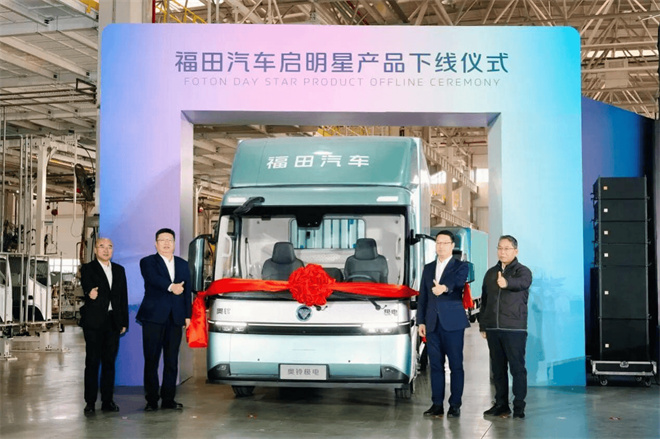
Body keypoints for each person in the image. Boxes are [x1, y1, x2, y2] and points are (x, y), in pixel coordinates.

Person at [136, 228, 192, 411]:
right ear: (156, 243)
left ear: (174, 243)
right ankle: (151, 400)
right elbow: (153, 279)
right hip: (153, 318)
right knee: (151, 360)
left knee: (171, 361)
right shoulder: (147, 262)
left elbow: (187, 292)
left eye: (170, 240)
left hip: (175, 319)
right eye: (162, 240)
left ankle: (169, 400)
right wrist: (171, 287)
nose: (166, 243)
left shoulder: (183, 264)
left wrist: (187, 316)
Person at [417, 230, 470, 418]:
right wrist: (421, 321)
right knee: (435, 366)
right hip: (432, 324)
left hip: (453, 324)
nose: (440, 246)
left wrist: (444, 288)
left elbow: (458, 283)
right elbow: (423, 296)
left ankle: (455, 405)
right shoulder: (428, 268)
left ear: (452, 246)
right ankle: (437, 405)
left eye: (445, 243)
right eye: (438, 243)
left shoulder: (461, 266)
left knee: (456, 365)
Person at [480, 235, 533, 419]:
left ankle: (519, 407)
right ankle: (501, 405)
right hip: (493, 329)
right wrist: (483, 325)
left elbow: (523, 283)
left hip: (514, 329)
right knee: (498, 370)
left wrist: (507, 283)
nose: (502, 252)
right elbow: (485, 301)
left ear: (515, 251)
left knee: (517, 369)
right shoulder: (490, 273)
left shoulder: (523, 271)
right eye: (500, 248)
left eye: (507, 248)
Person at [79, 238, 128, 414]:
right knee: (92, 362)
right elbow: (86, 285)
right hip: (94, 322)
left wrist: (124, 322)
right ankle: (90, 402)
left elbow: (123, 297)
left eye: (109, 247)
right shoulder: (88, 268)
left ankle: (108, 401)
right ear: (95, 250)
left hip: (113, 322)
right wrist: (89, 292)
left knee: (109, 363)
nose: (106, 250)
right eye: (102, 247)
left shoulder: (119, 270)